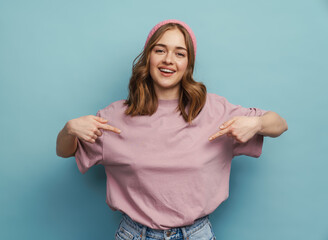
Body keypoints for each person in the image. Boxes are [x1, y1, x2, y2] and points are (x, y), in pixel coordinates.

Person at [56, 19, 288, 240]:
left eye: (180, 53)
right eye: (160, 50)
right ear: (148, 57)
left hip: (197, 234)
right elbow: (66, 151)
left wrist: (256, 123)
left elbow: (279, 124)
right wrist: (69, 130)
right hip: (135, 234)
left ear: (188, 64)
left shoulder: (215, 111)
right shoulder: (114, 117)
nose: (169, 60)